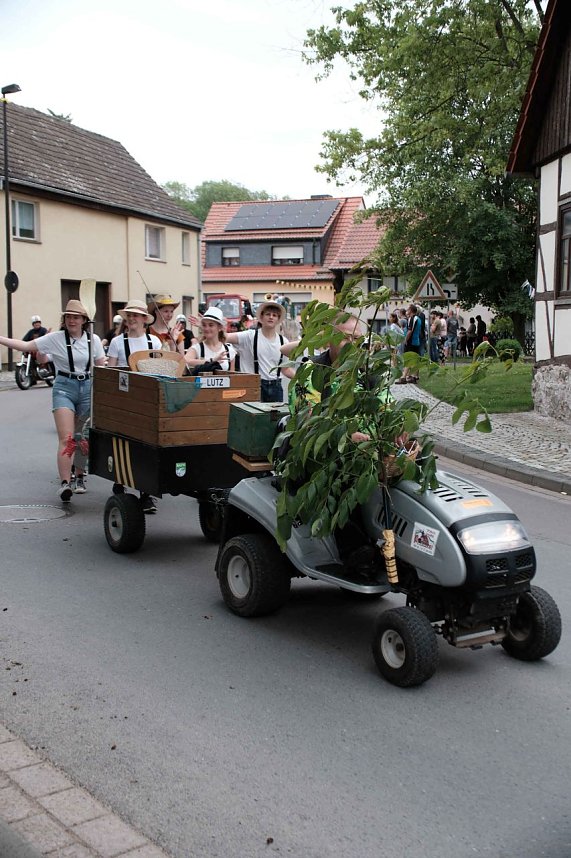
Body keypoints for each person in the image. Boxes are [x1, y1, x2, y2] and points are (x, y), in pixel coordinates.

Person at [0, 299, 106, 502]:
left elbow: (101, 367)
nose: (71, 320)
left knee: (82, 437)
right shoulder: (55, 338)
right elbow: (25, 344)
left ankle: (80, 476)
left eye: (76, 317)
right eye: (68, 317)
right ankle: (65, 483)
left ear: (84, 320)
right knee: (67, 438)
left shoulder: (93, 340)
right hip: (64, 387)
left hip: (87, 388)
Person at [226, 300, 293, 402]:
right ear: (261, 317)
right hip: (253, 386)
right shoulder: (249, 336)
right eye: (268, 314)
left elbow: (285, 369)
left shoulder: (283, 341)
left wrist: (305, 378)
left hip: (276, 388)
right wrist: (208, 327)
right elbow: (224, 337)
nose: (271, 317)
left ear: (278, 319)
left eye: (274, 315)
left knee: (276, 417)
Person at [106, 299, 161, 368]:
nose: (131, 318)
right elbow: (110, 372)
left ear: (144, 318)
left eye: (135, 315)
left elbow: (159, 369)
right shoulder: (116, 341)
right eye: (128, 315)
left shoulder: (154, 341)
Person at [184, 306, 236, 372]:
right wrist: (211, 361)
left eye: (211, 325)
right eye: (204, 325)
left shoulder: (229, 351)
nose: (206, 328)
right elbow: (185, 361)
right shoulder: (197, 348)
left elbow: (232, 378)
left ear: (219, 327)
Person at [395, 304, 422, 384]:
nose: (407, 310)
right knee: (414, 360)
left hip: (411, 342)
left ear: (411, 310)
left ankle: (403, 378)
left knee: (408, 359)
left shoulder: (412, 318)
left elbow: (410, 330)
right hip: (416, 341)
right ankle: (413, 377)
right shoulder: (418, 319)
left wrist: (405, 340)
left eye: (408, 309)